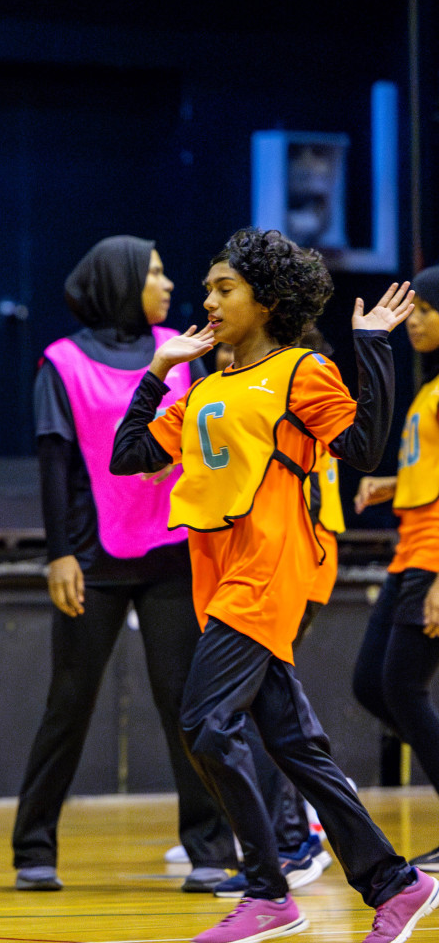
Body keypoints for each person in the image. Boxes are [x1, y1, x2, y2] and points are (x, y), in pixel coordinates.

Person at [112, 227, 434, 943]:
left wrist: (374, 346)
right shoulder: (208, 384)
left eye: (224, 289)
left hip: (268, 570)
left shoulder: (301, 372)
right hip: (218, 574)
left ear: (270, 301)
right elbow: (128, 453)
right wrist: (160, 369)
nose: (208, 300)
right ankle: (394, 882)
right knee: (293, 745)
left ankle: (267, 888)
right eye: (208, 288)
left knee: (203, 720)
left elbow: (360, 445)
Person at [11, 236, 235, 893]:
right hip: (93, 557)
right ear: (120, 280)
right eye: (155, 272)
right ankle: (33, 848)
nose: (169, 283)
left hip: (173, 553)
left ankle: (206, 847)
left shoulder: (185, 349)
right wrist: (58, 554)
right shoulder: (61, 362)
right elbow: (55, 465)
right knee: (70, 702)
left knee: (184, 704)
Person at [207, 329, 338, 899]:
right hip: (269, 567)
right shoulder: (245, 396)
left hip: (289, 567)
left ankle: (293, 840)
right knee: (271, 716)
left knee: (237, 716)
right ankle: (292, 837)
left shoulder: (294, 387)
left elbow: (299, 503)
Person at [351, 264, 439, 874]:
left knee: (403, 688)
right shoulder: (430, 388)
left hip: (433, 559)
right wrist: (395, 482)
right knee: (371, 685)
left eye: (427, 311)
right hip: (407, 551)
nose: (417, 322)